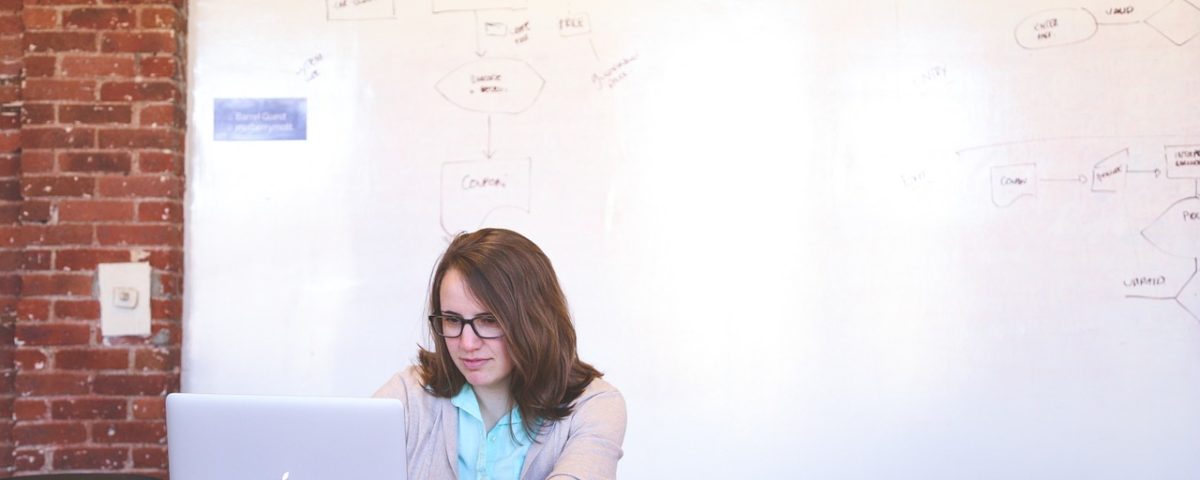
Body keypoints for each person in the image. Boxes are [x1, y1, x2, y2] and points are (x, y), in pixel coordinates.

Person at [375, 228, 626, 479]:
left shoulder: (595, 405)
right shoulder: (409, 395)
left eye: (489, 320)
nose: (468, 343)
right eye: (452, 320)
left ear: (534, 320)